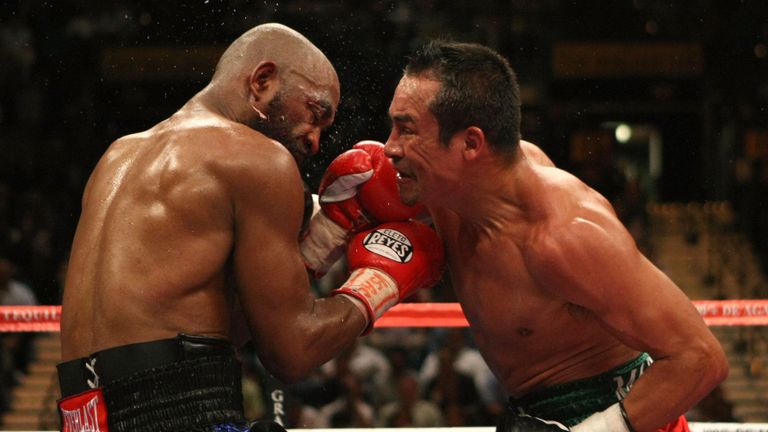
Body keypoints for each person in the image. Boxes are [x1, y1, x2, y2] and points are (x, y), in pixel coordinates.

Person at [57, 23, 444, 432]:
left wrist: (321, 241)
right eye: (315, 114)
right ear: (262, 81)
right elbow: (292, 354)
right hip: (181, 413)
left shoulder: (117, 155)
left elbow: (208, 329)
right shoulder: (258, 160)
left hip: (81, 418)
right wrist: (378, 282)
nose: (314, 140)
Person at [381, 40, 729, 432]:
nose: (390, 147)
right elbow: (356, 195)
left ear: (471, 143)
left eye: (406, 130)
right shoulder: (442, 184)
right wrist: (324, 230)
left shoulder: (566, 236)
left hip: (627, 414)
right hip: (531, 413)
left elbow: (701, 358)